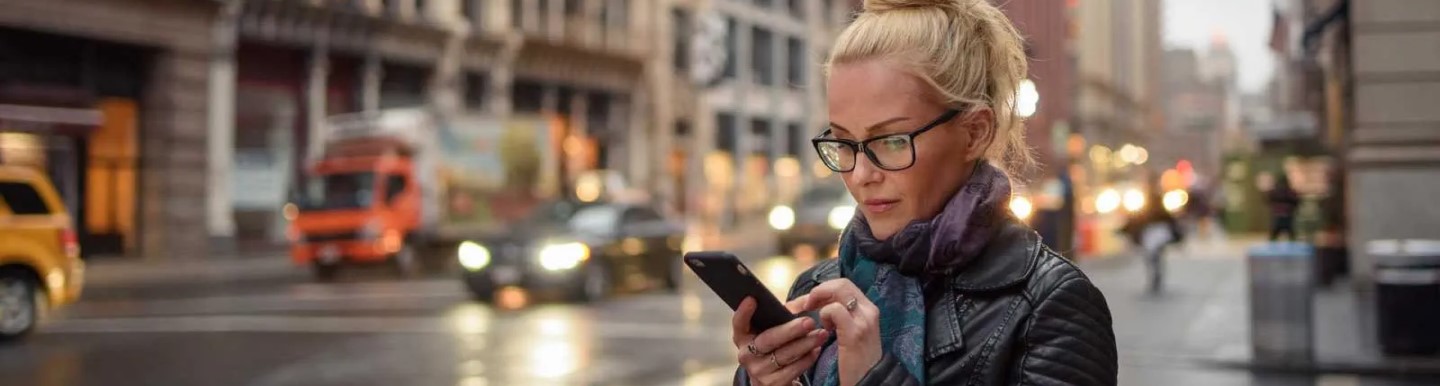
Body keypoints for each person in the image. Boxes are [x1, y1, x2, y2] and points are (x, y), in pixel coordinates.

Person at [729, 1, 1118, 385]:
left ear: (974, 132)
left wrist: (875, 378)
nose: (861, 174)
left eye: (892, 141)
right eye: (844, 143)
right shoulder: (816, 292)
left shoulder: (1051, 305)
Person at [1120, 178, 1183, 293]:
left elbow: (1163, 215)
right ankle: (1155, 276)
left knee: (1154, 255)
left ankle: (1156, 276)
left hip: (1156, 231)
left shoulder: (1155, 199)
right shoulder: (1146, 199)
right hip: (1151, 231)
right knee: (1152, 256)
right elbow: (1138, 217)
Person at [1268, 175, 1300, 242]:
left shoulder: (1275, 191)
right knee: (1290, 235)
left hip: (1280, 215)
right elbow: (1296, 201)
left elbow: (1269, 200)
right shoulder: (1289, 191)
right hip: (1286, 215)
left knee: (1274, 235)